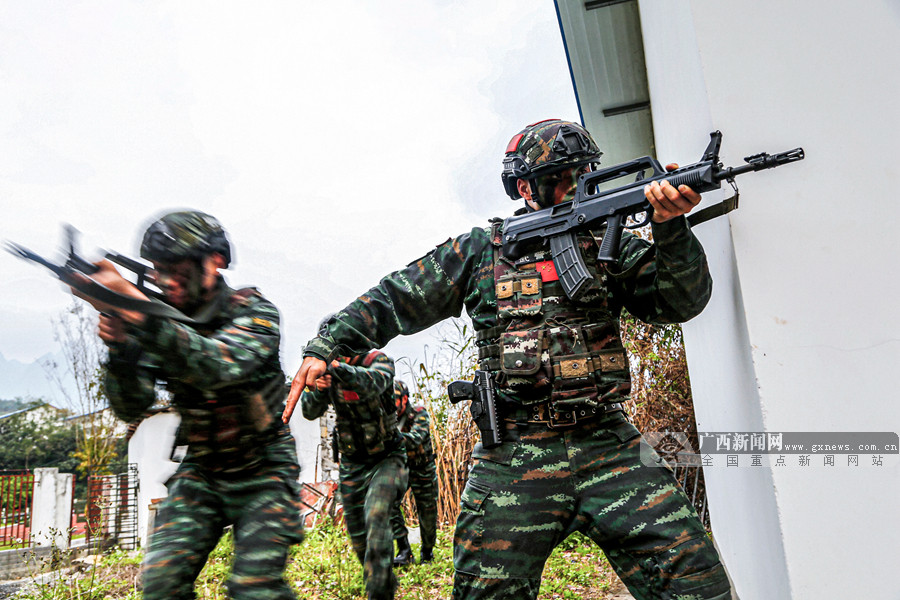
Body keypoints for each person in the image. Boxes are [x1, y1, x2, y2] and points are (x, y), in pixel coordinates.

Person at [283, 119, 732, 600]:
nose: (574, 187)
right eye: (562, 177)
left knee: (697, 583)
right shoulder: (480, 251)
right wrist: (326, 345)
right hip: (514, 452)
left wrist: (672, 230)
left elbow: (680, 302)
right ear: (524, 186)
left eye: (584, 173)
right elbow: (396, 297)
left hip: (608, 443)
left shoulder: (612, 241)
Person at [80, 210, 303, 600]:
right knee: (161, 583)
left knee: (255, 589)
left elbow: (217, 365)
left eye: (178, 272)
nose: (166, 283)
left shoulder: (254, 313)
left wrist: (141, 315)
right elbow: (131, 405)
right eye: (158, 271)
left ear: (214, 263)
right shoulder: (159, 320)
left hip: (264, 469)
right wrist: (120, 348)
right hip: (202, 471)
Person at [299, 348, 408, 600]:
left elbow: (373, 383)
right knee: (359, 538)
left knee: (377, 514)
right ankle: (384, 579)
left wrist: (335, 368)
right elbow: (308, 411)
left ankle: (379, 594)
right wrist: (319, 388)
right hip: (352, 463)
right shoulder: (327, 374)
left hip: (387, 458)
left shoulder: (378, 361)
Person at [389, 380, 438, 566]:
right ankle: (404, 550)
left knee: (427, 512)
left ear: (405, 399)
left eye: (394, 399)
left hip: (423, 468)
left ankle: (427, 552)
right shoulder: (388, 418)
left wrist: (389, 435)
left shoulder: (419, 414)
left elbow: (416, 438)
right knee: (388, 502)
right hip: (402, 469)